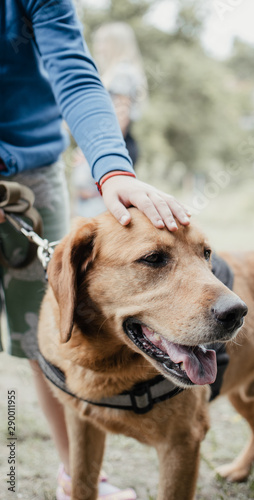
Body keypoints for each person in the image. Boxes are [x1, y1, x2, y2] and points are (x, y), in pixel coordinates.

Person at [0, 1, 190, 499]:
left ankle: (76, 477)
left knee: (50, 332)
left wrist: (113, 168)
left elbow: (75, 73)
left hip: (33, 169)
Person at [72, 22, 147, 217]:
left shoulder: (122, 72)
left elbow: (120, 117)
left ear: (114, 44)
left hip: (111, 145)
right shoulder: (121, 71)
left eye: (102, 42)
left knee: (97, 207)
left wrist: (93, 149)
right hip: (113, 144)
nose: (98, 47)